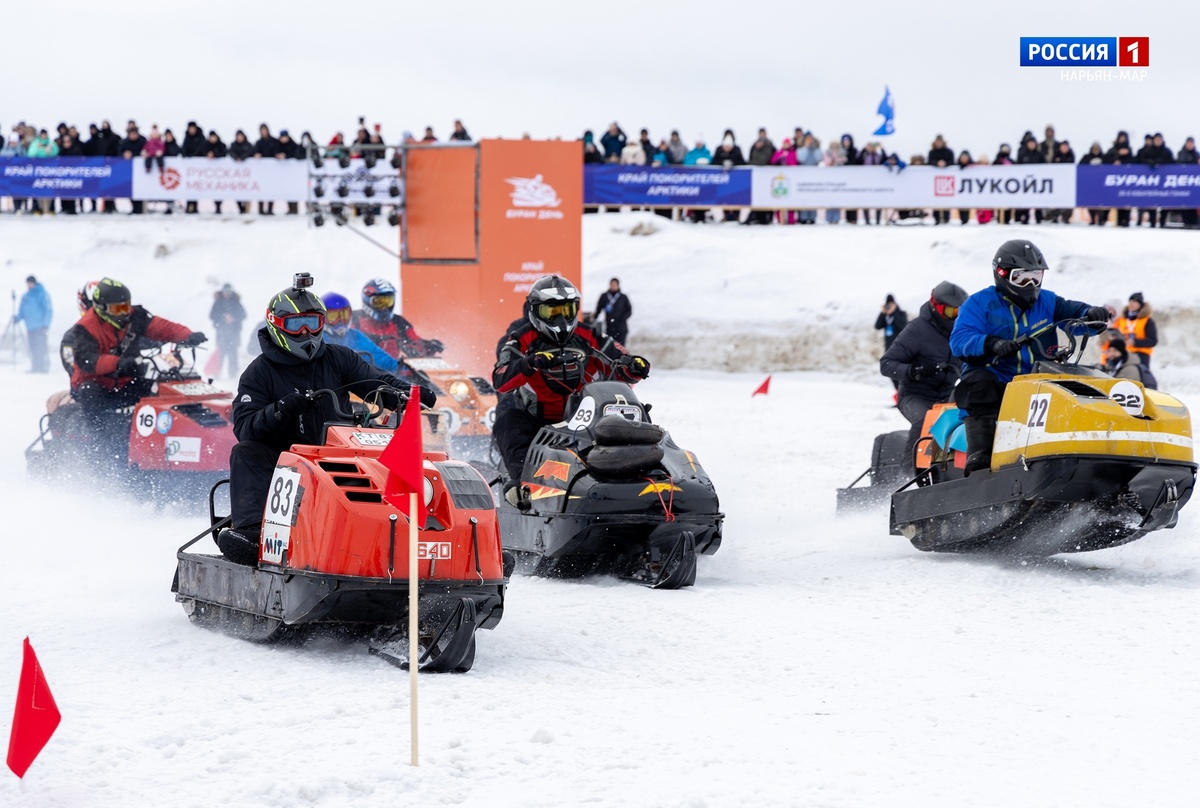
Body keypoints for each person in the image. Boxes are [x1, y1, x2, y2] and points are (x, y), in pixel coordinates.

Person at [218, 277, 438, 565]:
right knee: (245, 452)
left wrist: (407, 394)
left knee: (392, 453)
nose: (307, 332)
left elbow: (373, 381)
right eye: (297, 325)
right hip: (286, 456)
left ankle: (414, 533)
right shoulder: (258, 372)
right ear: (277, 325)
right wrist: (283, 408)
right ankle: (251, 535)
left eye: (313, 322)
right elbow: (245, 427)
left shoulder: (338, 358)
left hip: (339, 451)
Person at [949, 240, 1109, 475]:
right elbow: (960, 339)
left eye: (1036, 276)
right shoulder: (978, 303)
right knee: (978, 384)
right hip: (997, 378)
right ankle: (980, 459)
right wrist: (991, 343)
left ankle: (1085, 451)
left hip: (1037, 377)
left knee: (1080, 385)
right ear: (1002, 275)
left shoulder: (1048, 301)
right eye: (1022, 277)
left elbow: (1075, 314)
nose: (1030, 284)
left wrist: (1092, 314)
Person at [493, 276, 649, 505]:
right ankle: (523, 486)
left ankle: (649, 475)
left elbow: (618, 362)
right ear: (536, 311)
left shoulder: (590, 336)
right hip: (538, 421)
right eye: (551, 312)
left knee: (633, 415)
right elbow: (500, 378)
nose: (560, 318)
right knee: (507, 421)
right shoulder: (520, 338)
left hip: (586, 418)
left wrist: (634, 367)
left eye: (566, 310)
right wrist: (529, 363)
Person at [66, 278, 206, 445]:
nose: (123, 313)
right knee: (90, 393)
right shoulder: (85, 328)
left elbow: (160, 327)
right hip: (97, 383)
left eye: (126, 306)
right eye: (117, 309)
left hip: (126, 380)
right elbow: (86, 360)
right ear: (102, 308)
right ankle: (99, 445)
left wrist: (187, 336)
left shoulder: (135, 316)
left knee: (157, 389)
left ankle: (160, 438)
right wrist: (117, 363)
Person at [880, 281, 968, 474]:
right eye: (951, 312)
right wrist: (914, 370)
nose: (955, 318)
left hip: (947, 397)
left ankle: (958, 472)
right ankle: (909, 475)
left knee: (972, 417)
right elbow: (886, 364)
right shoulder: (916, 330)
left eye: (960, 312)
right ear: (936, 307)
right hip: (914, 396)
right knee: (925, 420)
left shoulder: (962, 333)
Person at [320, 292, 437, 389]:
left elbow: (376, 355)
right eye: (333, 317)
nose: (340, 321)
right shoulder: (318, 338)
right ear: (322, 317)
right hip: (329, 389)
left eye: (344, 315)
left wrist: (402, 370)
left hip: (356, 387)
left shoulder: (354, 335)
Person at [351, 278, 444, 358]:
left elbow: (414, 342)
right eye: (379, 302)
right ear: (367, 302)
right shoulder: (354, 320)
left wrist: (428, 347)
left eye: (388, 302)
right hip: (361, 369)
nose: (384, 308)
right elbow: (343, 342)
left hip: (392, 371)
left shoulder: (399, 322)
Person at [16, 275, 53, 373]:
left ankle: (43, 367)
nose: (29, 285)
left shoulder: (42, 294)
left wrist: (46, 324)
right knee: (32, 348)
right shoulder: (26, 296)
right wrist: (17, 318)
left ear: (34, 283)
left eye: (30, 283)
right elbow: (22, 310)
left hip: (40, 326)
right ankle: (35, 367)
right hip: (30, 327)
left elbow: (48, 310)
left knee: (40, 347)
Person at [209, 283, 247, 378]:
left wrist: (233, 318)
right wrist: (223, 318)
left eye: (228, 291)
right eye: (225, 291)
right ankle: (217, 374)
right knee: (220, 354)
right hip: (221, 333)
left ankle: (233, 374)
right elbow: (212, 315)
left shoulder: (235, 301)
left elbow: (243, 314)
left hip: (234, 333)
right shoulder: (218, 302)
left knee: (233, 354)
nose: (227, 293)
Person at [1112, 292, 1157, 371]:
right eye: (1130, 301)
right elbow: (1113, 333)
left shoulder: (1147, 321)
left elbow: (1153, 341)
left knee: (1139, 378)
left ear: (1141, 305)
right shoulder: (1121, 319)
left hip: (1141, 355)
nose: (1131, 304)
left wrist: (1135, 342)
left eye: (1135, 301)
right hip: (1123, 354)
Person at [593, 277, 632, 346]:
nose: (613, 286)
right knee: (610, 346)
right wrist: (594, 318)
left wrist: (622, 319)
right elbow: (599, 308)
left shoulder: (623, 297)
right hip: (610, 327)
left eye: (615, 284)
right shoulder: (604, 296)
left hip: (621, 327)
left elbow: (629, 310)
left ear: (618, 285)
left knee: (621, 347)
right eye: (612, 284)